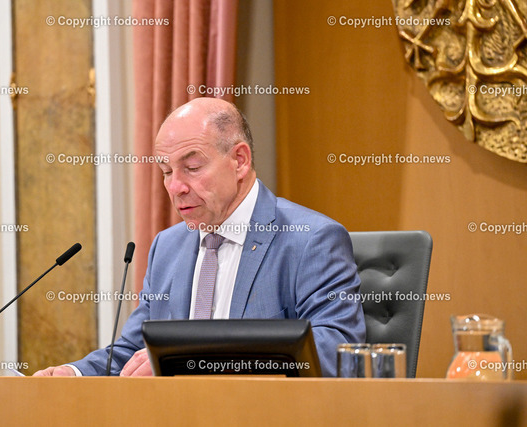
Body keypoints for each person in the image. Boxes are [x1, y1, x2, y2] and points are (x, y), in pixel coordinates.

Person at [34, 97, 365, 377]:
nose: (175, 187)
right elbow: (135, 350)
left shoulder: (309, 239)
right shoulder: (167, 247)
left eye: (192, 168)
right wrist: (74, 373)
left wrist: (197, 360)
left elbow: (337, 351)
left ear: (239, 160)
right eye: (166, 171)